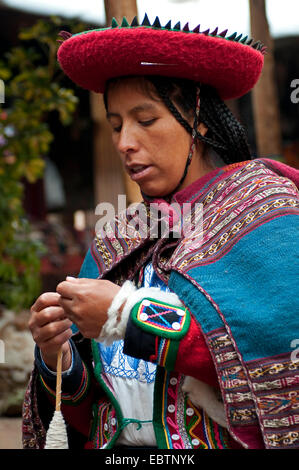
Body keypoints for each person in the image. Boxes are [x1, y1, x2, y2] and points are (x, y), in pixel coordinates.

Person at [22, 15, 299, 450]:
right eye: (116, 125)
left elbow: (277, 364)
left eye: (145, 120)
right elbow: (86, 411)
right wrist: (59, 354)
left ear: (200, 121)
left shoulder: (266, 211)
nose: (124, 142)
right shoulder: (118, 237)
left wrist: (127, 317)